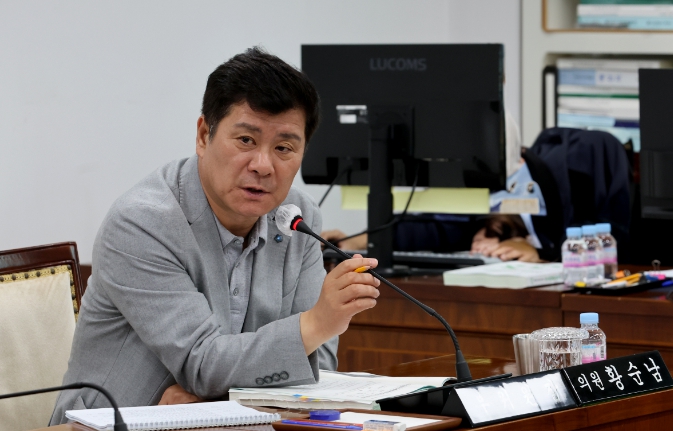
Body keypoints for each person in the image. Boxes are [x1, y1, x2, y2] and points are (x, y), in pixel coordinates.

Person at [50, 47, 382, 424]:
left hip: (228, 424)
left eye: (284, 148)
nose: (263, 165)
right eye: (246, 140)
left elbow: (315, 367)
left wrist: (216, 397)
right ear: (204, 135)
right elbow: (203, 363)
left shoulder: (297, 219)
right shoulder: (141, 223)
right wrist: (316, 323)